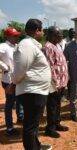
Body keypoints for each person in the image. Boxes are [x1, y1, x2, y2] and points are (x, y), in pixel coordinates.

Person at [12, 19, 52, 150]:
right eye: (42, 29)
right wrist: (13, 83)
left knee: (33, 124)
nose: (43, 32)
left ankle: (36, 146)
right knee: (30, 125)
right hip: (32, 92)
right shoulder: (26, 45)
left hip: (36, 91)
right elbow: (20, 70)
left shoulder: (32, 45)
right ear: (37, 30)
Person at [42, 26, 69, 138]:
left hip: (61, 83)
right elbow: (50, 67)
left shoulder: (56, 45)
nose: (61, 36)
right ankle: (50, 128)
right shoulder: (48, 47)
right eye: (59, 34)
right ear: (53, 35)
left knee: (57, 105)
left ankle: (57, 123)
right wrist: (56, 84)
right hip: (54, 84)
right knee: (52, 106)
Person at [0, 27, 24, 136]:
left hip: (18, 78)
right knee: (10, 103)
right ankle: (9, 128)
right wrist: (4, 67)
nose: (17, 37)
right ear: (8, 36)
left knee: (20, 100)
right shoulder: (3, 46)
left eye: (17, 35)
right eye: (15, 35)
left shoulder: (16, 46)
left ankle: (20, 117)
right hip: (8, 80)